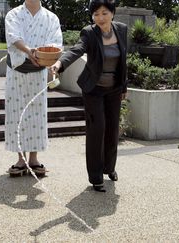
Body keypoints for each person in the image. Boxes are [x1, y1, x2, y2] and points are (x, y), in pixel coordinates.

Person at [51, 0, 128, 192]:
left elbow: (123, 60)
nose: (100, 18)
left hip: (114, 89)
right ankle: (95, 177)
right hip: (93, 89)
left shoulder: (122, 30)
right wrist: (60, 64)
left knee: (112, 129)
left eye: (104, 13)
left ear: (112, 13)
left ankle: (109, 168)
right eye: (96, 14)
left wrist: (123, 86)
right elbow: (77, 49)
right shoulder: (89, 33)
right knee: (97, 129)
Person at [4, 0, 62, 177]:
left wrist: (47, 54)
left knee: (37, 113)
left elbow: (56, 42)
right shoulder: (13, 14)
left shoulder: (51, 17)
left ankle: (34, 158)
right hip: (17, 70)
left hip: (39, 70)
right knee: (16, 113)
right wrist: (29, 51)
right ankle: (20, 159)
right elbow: (14, 37)